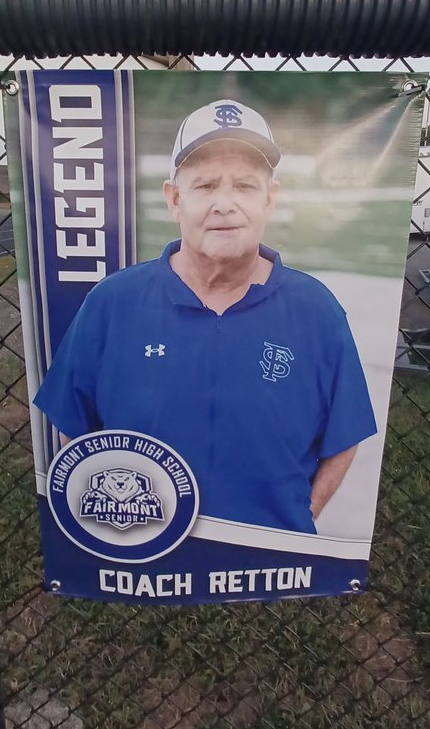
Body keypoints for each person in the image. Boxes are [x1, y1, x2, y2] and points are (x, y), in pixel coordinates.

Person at [36, 99, 377, 534]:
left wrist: (299, 519)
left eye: (245, 186)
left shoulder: (316, 310)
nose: (224, 204)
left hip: (270, 558)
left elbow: (344, 435)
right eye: (205, 185)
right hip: (146, 552)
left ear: (270, 199)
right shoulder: (112, 302)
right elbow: (71, 423)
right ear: (175, 199)